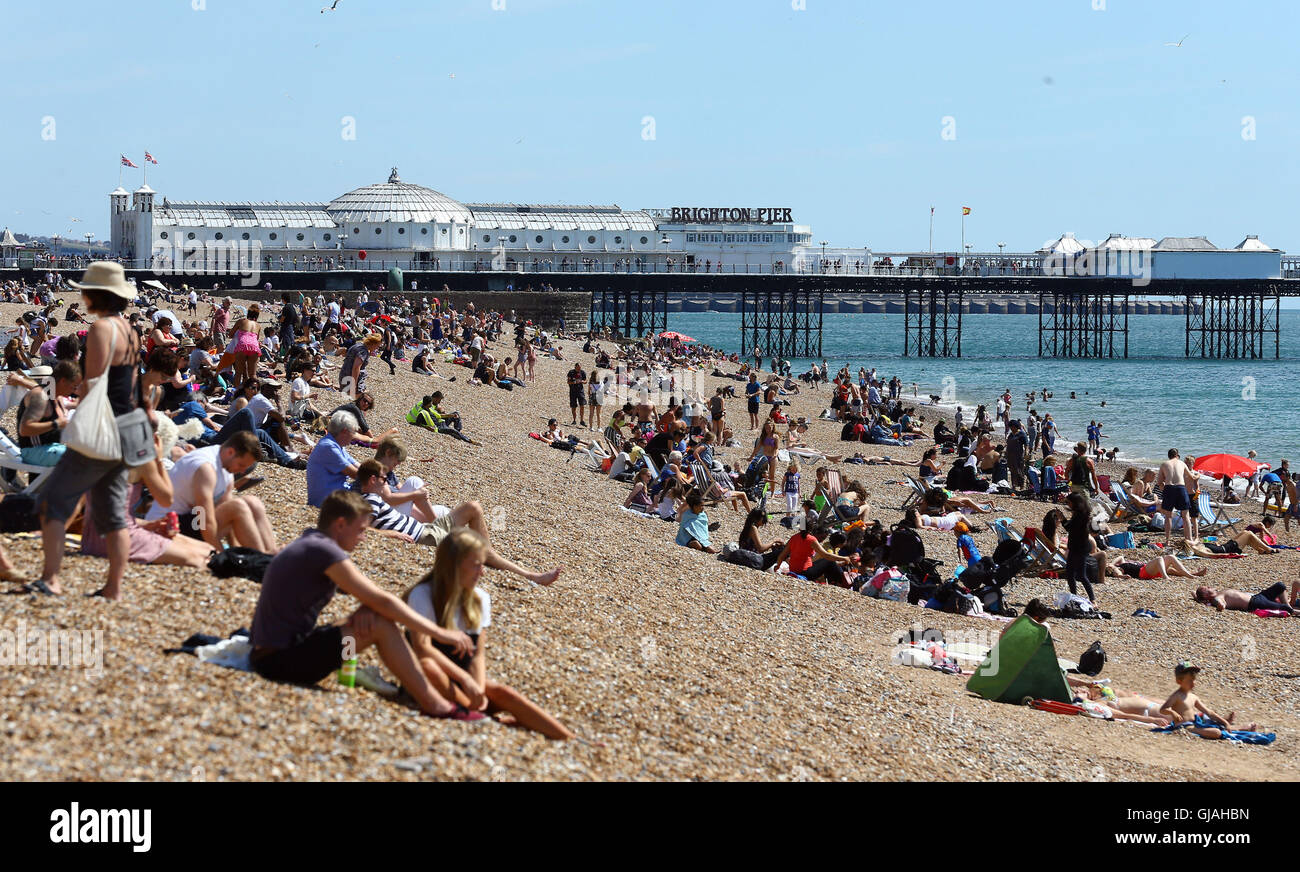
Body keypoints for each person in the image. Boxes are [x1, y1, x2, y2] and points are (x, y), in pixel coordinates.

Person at [248, 490, 483, 721]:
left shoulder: (311, 540)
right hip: (277, 662)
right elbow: (381, 599)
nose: (363, 538)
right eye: (360, 530)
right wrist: (440, 633)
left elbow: (368, 597)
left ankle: (347, 671)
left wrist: (367, 607)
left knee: (361, 619)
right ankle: (436, 705)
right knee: (381, 623)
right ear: (340, 524)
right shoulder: (324, 551)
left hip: (270, 652)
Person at [31, 263, 142, 599]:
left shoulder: (101, 329)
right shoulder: (131, 331)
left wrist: (74, 407)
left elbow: (92, 382)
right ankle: (113, 588)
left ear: (97, 295)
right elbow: (131, 384)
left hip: (101, 429)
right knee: (113, 513)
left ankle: (51, 579)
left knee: (54, 501)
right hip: (126, 428)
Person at [404, 527, 574, 739]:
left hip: (461, 678)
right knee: (430, 668)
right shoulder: (424, 594)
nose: (482, 572)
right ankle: (481, 715)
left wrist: (478, 687)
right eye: (476, 565)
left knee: (504, 693)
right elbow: (422, 649)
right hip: (427, 680)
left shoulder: (480, 599)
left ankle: (571, 739)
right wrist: (466, 681)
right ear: (455, 565)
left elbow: (478, 654)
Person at [144, 432, 278, 553]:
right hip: (166, 525)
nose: (243, 472)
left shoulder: (226, 466)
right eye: (242, 465)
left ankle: (271, 553)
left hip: (193, 520)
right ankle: (261, 561)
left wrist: (234, 548)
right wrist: (219, 554)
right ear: (230, 452)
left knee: (252, 502)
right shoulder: (206, 468)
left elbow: (227, 512)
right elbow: (203, 518)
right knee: (238, 506)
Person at [1158, 662, 1258, 738]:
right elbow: (1162, 709)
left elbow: (1208, 712)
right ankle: (1233, 729)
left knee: (1219, 725)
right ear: (1179, 681)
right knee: (1216, 732)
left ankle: (1238, 727)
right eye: (1189, 681)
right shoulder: (1177, 696)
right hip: (1183, 727)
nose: (1193, 683)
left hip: (1193, 724)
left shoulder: (1193, 697)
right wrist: (1172, 712)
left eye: (1194, 680)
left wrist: (1225, 722)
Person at [16, 360, 78, 467]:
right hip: (34, 451)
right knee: (80, 459)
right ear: (63, 381)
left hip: (52, 449)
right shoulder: (41, 396)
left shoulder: (57, 398)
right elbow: (25, 429)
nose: (74, 390)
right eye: (73, 386)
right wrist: (56, 423)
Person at [306, 411, 363, 507]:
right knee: (374, 489)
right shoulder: (328, 447)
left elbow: (359, 466)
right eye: (353, 433)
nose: (354, 437)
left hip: (335, 494)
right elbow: (355, 474)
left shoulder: (336, 445)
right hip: (328, 501)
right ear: (344, 431)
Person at [772, 522, 853, 586]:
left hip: (793, 570)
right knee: (828, 561)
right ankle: (839, 583)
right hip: (806, 572)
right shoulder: (811, 539)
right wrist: (844, 558)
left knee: (826, 561)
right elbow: (826, 555)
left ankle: (835, 582)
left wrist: (777, 566)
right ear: (811, 529)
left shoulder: (794, 537)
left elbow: (782, 555)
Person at [1156, 448, 1196, 545]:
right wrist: (1198, 476)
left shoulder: (1164, 464)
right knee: (1185, 516)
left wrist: (1163, 488)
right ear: (1177, 455)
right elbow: (1192, 477)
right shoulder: (1182, 463)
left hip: (1169, 488)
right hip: (1181, 488)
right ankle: (1189, 539)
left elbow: (1159, 482)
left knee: (1168, 516)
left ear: (1168, 456)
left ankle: (1167, 540)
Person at [1064, 492, 1098, 602]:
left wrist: (1063, 520)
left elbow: (1071, 528)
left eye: (1069, 502)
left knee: (1081, 575)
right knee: (1070, 574)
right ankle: (1074, 596)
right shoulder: (1079, 514)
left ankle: (1093, 599)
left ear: (1075, 503)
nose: (1068, 505)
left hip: (1080, 548)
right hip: (1076, 547)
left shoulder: (1081, 516)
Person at [1195, 582, 1297, 614]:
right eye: (1207, 588)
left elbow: (1194, 594)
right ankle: (1293, 611)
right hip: (1254, 603)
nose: (1210, 586)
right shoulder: (1217, 598)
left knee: (1280, 586)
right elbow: (1221, 604)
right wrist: (1220, 606)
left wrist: (1197, 598)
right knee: (1284, 608)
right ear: (1206, 595)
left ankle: (1289, 606)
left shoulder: (1218, 594)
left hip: (1258, 596)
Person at [566, 362, 587, 427]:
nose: (579, 369)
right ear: (575, 367)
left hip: (580, 391)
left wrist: (581, 381)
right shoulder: (571, 372)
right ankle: (574, 419)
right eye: (578, 368)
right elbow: (568, 382)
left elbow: (586, 381)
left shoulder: (582, 372)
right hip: (573, 391)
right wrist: (574, 382)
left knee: (582, 405)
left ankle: (582, 420)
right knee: (573, 406)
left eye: (580, 368)